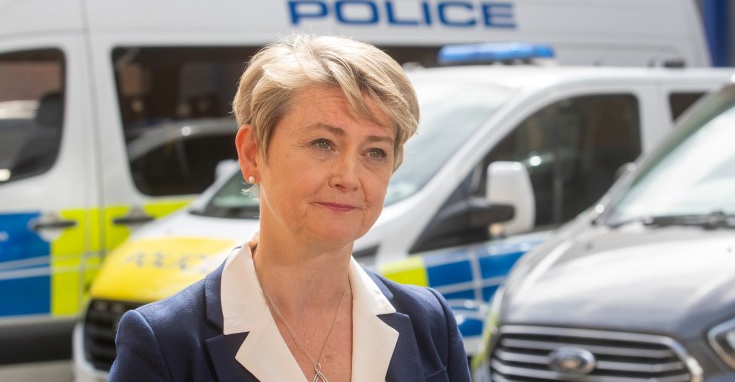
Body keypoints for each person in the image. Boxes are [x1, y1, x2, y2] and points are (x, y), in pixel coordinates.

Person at [109, 33, 470, 382]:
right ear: (252, 154)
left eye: (375, 152)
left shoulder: (429, 323)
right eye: (322, 143)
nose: (349, 177)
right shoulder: (166, 344)